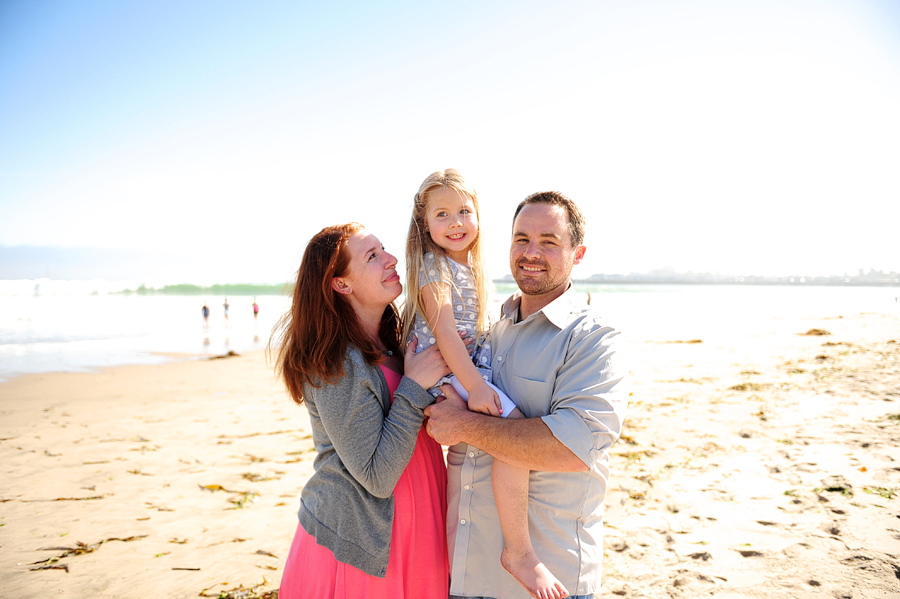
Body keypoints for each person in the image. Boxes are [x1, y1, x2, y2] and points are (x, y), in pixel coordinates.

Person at [424, 192, 630, 599]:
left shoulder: (593, 338)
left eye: (549, 241)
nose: (531, 252)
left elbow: (573, 448)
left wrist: (464, 424)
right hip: (463, 570)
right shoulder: (489, 328)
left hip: (547, 578)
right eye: (521, 239)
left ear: (578, 253)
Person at [402, 169, 566, 599]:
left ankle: (512, 550)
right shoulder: (433, 268)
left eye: (464, 211)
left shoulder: (473, 266)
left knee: (507, 440)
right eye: (442, 214)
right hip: (445, 374)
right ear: (425, 225)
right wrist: (475, 388)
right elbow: (445, 334)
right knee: (514, 435)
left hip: (467, 370)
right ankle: (519, 553)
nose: (456, 222)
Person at [272, 222, 451, 598]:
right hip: (363, 548)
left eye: (384, 249)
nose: (391, 259)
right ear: (341, 284)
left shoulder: (394, 343)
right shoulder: (335, 363)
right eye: (372, 256)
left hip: (418, 527)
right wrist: (414, 388)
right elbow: (375, 476)